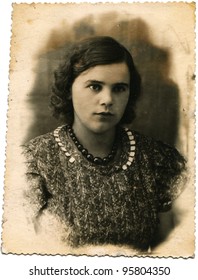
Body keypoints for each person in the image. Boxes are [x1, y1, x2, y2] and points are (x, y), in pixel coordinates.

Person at [22, 36, 186, 255]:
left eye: (119, 88)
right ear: (69, 89)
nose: (107, 99)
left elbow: (168, 255)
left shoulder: (155, 159)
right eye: (95, 86)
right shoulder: (34, 162)